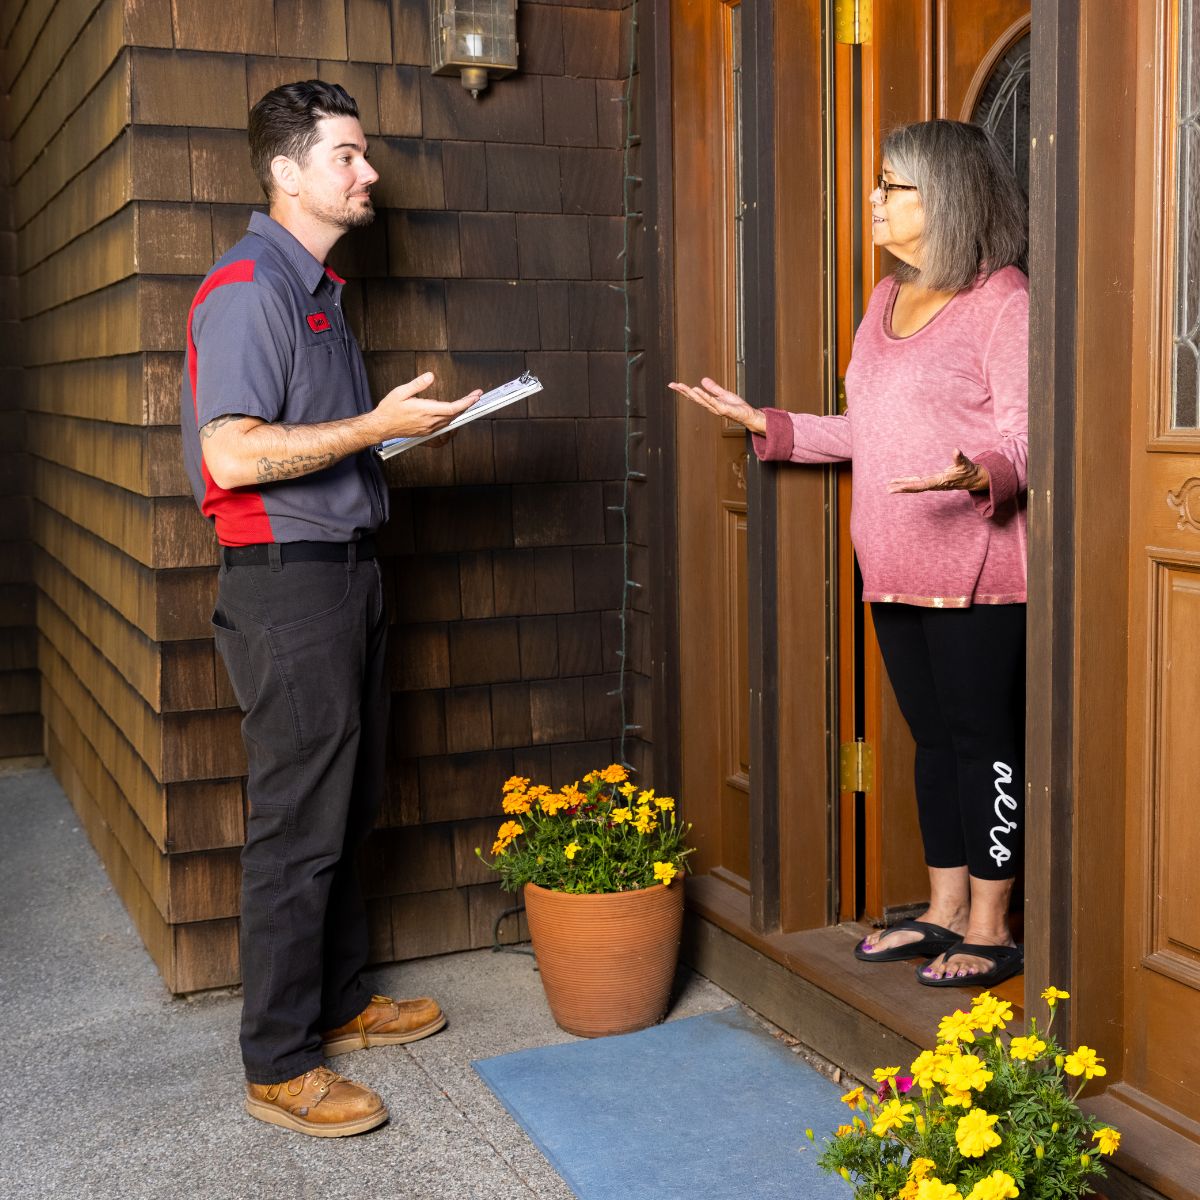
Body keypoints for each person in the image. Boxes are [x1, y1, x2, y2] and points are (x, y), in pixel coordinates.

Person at [180, 79, 483, 1136]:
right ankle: (279, 1058)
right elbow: (231, 451)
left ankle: (339, 1002)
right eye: (348, 156)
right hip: (288, 588)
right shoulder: (249, 288)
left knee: (348, 806)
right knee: (298, 825)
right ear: (287, 172)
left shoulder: (314, 288)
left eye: (364, 155)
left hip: (344, 572)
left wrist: (392, 431)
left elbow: (317, 436)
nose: (369, 173)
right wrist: (366, 429)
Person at [670, 120, 1028, 989]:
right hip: (895, 565)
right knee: (931, 745)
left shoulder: (1004, 299)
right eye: (879, 183)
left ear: (946, 196)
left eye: (893, 185)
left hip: (979, 577)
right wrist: (770, 425)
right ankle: (942, 912)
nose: (876, 198)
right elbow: (869, 433)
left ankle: (992, 923)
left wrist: (972, 472)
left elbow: (1028, 438)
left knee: (988, 746)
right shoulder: (883, 300)